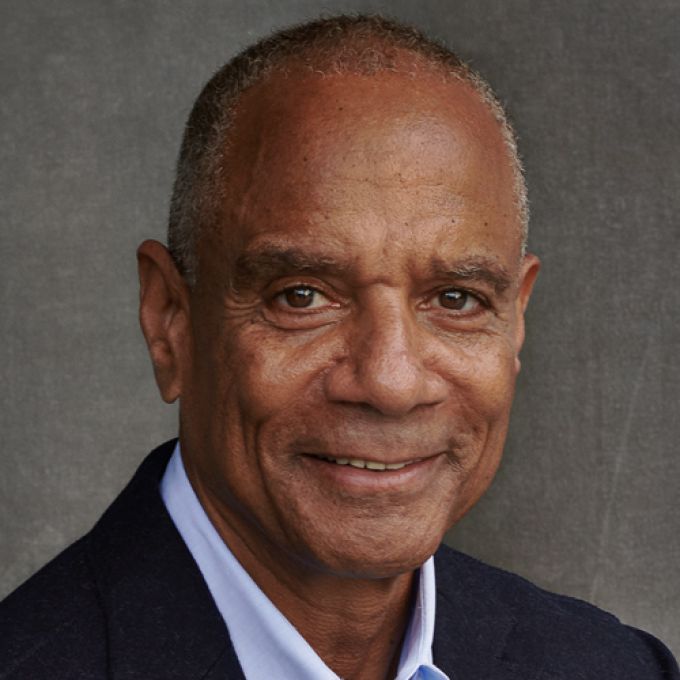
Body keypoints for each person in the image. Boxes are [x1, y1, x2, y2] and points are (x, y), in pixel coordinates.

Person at [1, 14, 677, 680]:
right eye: (302, 296)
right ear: (170, 320)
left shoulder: (614, 668)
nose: (390, 382)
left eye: (455, 299)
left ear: (516, 321)